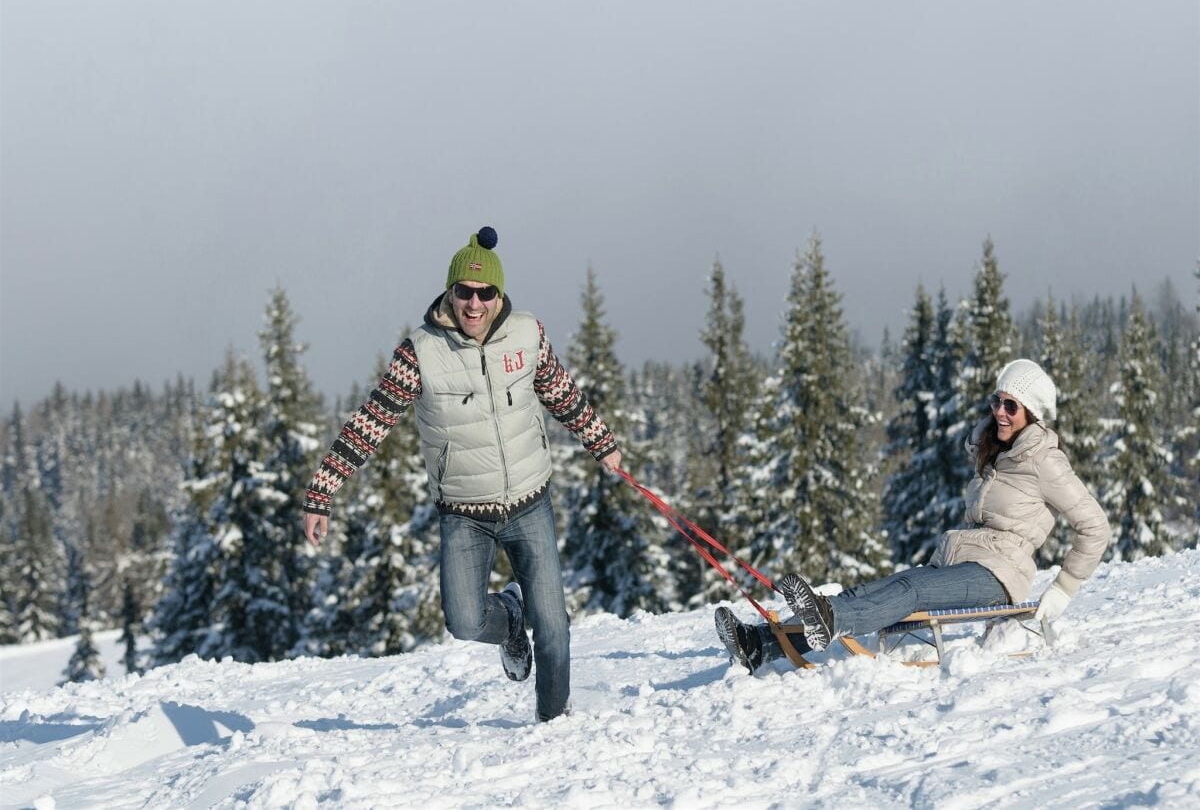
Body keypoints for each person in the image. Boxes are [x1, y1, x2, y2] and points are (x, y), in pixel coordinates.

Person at [303, 226, 622, 722]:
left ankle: (553, 725)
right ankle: (510, 620)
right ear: (449, 293)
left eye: (485, 293)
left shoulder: (527, 333)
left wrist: (602, 443)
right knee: (465, 621)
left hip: (529, 501)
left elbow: (561, 391)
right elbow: (370, 422)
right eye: (464, 292)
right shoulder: (421, 353)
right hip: (464, 513)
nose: (474, 304)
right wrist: (321, 492)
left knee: (554, 628)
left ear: (500, 295)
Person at [715, 358, 1111, 672]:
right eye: (997, 402)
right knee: (873, 590)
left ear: (1033, 413)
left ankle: (830, 618)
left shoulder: (1045, 460)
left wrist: (1063, 589)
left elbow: (1094, 526)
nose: (1001, 412)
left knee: (912, 593)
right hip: (963, 561)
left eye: (1012, 406)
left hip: (1000, 575)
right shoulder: (999, 453)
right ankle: (763, 644)